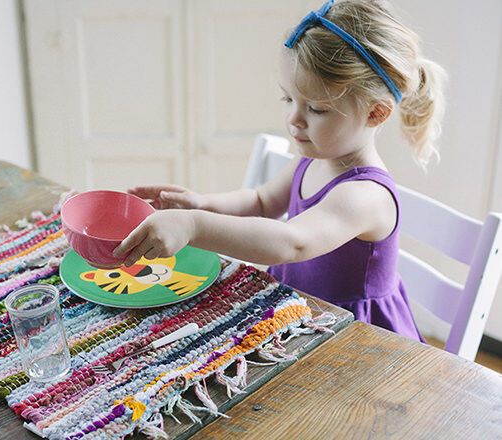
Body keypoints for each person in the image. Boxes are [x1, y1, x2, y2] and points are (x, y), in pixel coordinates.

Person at [112, 0, 445, 342]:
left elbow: (292, 243)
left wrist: (194, 226)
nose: (293, 119)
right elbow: (260, 201)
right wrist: (199, 204)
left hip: (356, 342)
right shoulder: (315, 157)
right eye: (288, 99)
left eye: (316, 109)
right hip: (298, 318)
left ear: (376, 113)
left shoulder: (365, 195)